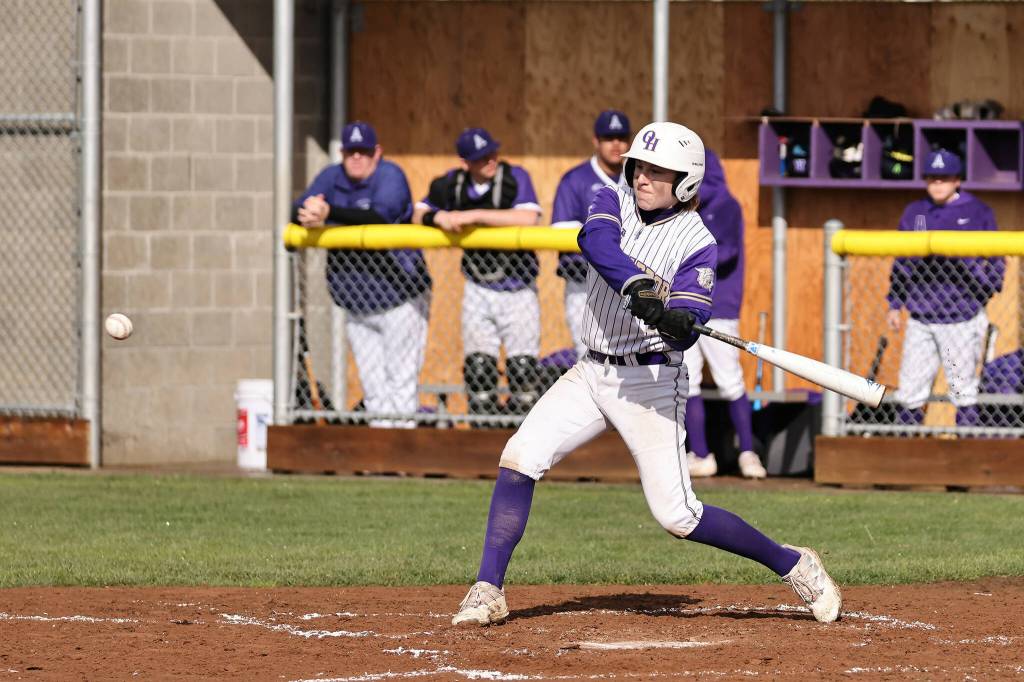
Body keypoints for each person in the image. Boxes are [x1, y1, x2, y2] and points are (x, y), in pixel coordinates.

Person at [451, 121, 842, 628]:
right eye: (641, 166)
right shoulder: (607, 196)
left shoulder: (699, 242)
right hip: (591, 372)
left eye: (660, 171)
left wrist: (679, 320)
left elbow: (683, 330)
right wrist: (638, 286)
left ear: (686, 181)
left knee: (679, 517)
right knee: (519, 457)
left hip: (651, 383)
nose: (643, 177)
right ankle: (488, 589)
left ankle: (795, 563)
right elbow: (596, 241)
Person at [294, 121, 431, 428]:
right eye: (351, 151)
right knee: (374, 387)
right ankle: (383, 458)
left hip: (401, 298)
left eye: (364, 152)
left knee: (401, 381)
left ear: (376, 153)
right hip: (355, 302)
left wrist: (329, 214)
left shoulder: (389, 175)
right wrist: (309, 211)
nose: (357, 158)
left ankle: (403, 456)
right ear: (342, 153)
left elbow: (379, 215)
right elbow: (296, 210)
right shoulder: (332, 177)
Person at [413, 128, 543, 418]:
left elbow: (529, 217)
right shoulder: (455, 183)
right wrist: (440, 217)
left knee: (522, 372)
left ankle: (522, 441)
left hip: (517, 288)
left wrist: (474, 216)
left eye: (492, 153)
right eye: (481, 158)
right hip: (477, 287)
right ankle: (484, 439)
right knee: (479, 370)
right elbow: (418, 211)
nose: (490, 160)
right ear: (465, 162)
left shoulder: (513, 176)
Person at [886, 149, 1005, 427]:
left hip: (960, 320)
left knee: (962, 388)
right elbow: (901, 262)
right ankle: (905, 453)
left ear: (957, 180)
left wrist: (985, 291)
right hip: (921, 317)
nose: (937, 183)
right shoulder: (915, 211)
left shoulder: (977, 211)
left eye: (944, 177)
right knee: (911, 390)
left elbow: (997, 259)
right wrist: (895, 303)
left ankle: (968, 454)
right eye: (931, 178)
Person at [683, 149, 767, 479]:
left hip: (719, 305)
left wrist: (687, 255)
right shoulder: (680, 206)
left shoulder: (725, 203)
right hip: (684, 305)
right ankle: (701, 454)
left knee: (729, 379)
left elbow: (727, 253)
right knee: (687, 380)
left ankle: (748, 452)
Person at [551, 110, 631, 360]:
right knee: (589, 356)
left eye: (621, 137)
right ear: (596, 141)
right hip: (583, 283)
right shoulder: (576, 179)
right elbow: (561, 231)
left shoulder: (638, 179)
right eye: (609, 138)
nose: (616, 144)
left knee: (626, 357)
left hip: (627, 283)